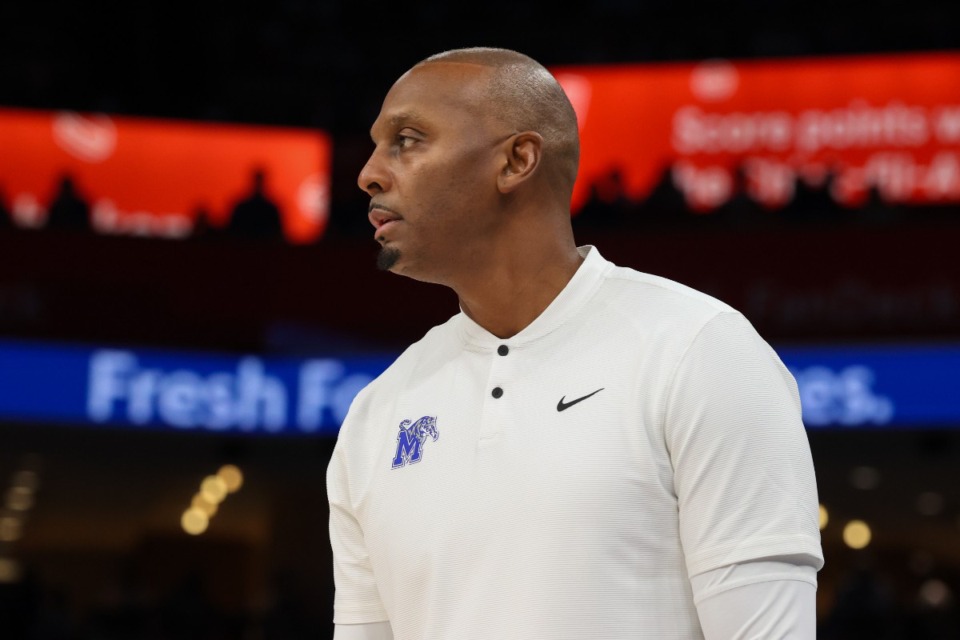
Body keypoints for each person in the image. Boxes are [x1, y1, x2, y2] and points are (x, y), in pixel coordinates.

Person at [327, 47, 824, 640]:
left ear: (517, 160)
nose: (369, 173)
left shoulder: (697, 349)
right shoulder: (376, 413)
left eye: (407, 139)